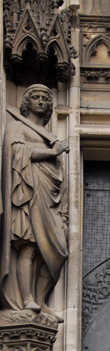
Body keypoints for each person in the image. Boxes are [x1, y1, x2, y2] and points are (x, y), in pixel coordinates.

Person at [0, 84, 69, 321]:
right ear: (26, 102)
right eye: (36, 97)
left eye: (45, 98)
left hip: (51, 198)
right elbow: (17, 152)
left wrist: (64, 215)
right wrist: (52, 152)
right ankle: (26, 300)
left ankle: (41, 300)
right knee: (27, 246)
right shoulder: (18, 126)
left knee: (58, 250)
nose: (41, 101)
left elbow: (62, 177)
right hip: (27, 193)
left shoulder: (51, 137)